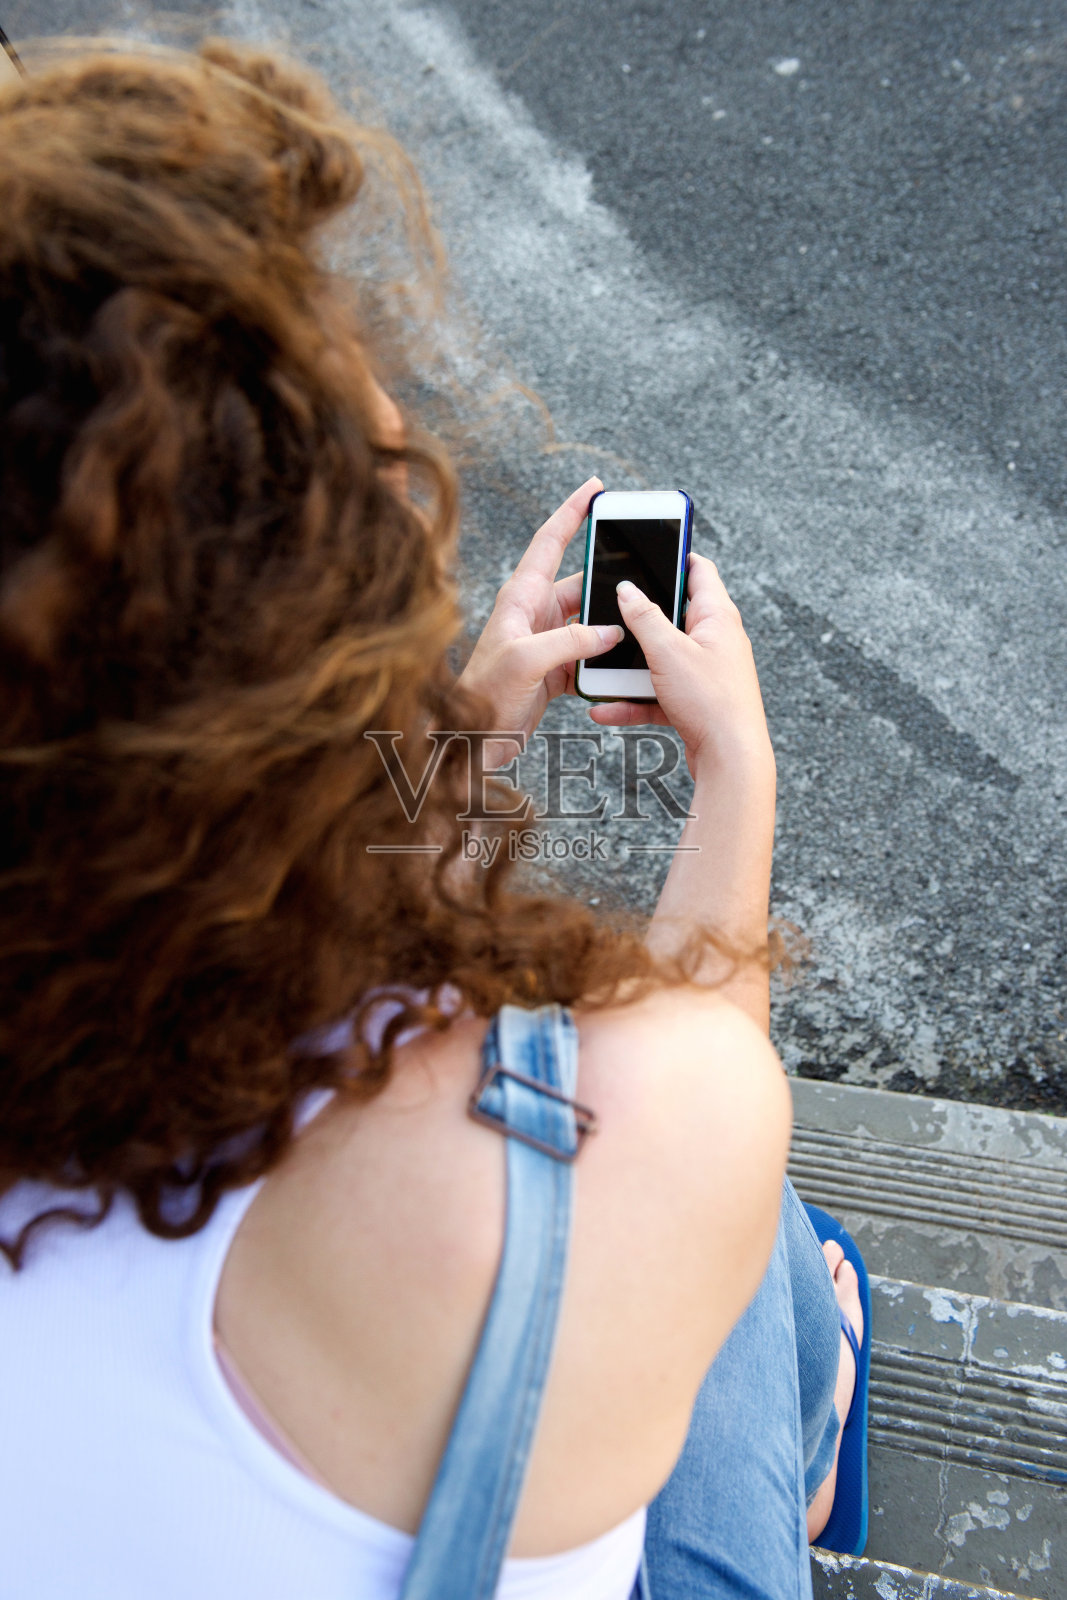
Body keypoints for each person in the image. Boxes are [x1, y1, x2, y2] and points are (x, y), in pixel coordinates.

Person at [0, 40, 864, 1599]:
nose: (413, 465)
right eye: (385, 481)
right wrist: (735, 777)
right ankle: (807, 1413)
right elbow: (706, 1082)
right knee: (763, 1254)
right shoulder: (627, 1139)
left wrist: (435, 765)